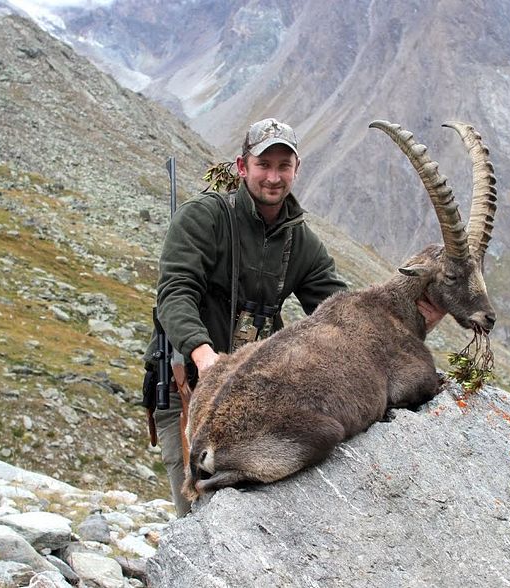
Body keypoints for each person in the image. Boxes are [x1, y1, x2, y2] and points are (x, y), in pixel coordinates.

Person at [148, 117, 444, 516]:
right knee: (199, 516)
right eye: (263, 165)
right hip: (189, 384)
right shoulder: (204, 218)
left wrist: (412, 323)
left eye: (283, 166)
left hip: (262, 402)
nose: (273, 177)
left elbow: (346, 314)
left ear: (296, 169)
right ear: (242, 167)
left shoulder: (299, 241)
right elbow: (175, 292)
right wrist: (204, 356)